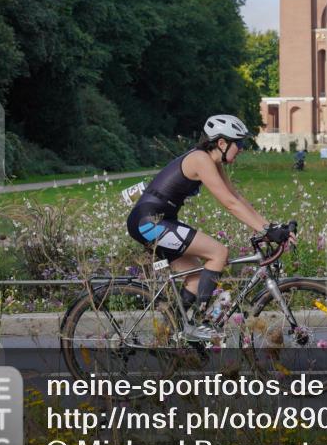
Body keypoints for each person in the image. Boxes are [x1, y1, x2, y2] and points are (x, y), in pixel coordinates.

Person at [127, 114, 296, 341]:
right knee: (219, 252)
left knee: (196, 279)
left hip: (158, 221)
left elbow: (236, 197)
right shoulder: (200, 159)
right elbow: (229, 204)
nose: (243, 148)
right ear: (222, 143)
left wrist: (268, 226)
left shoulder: (213, 161)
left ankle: (170, 336)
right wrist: (266, 231)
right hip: (149, 222)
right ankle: (203, 322)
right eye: (240, 143)